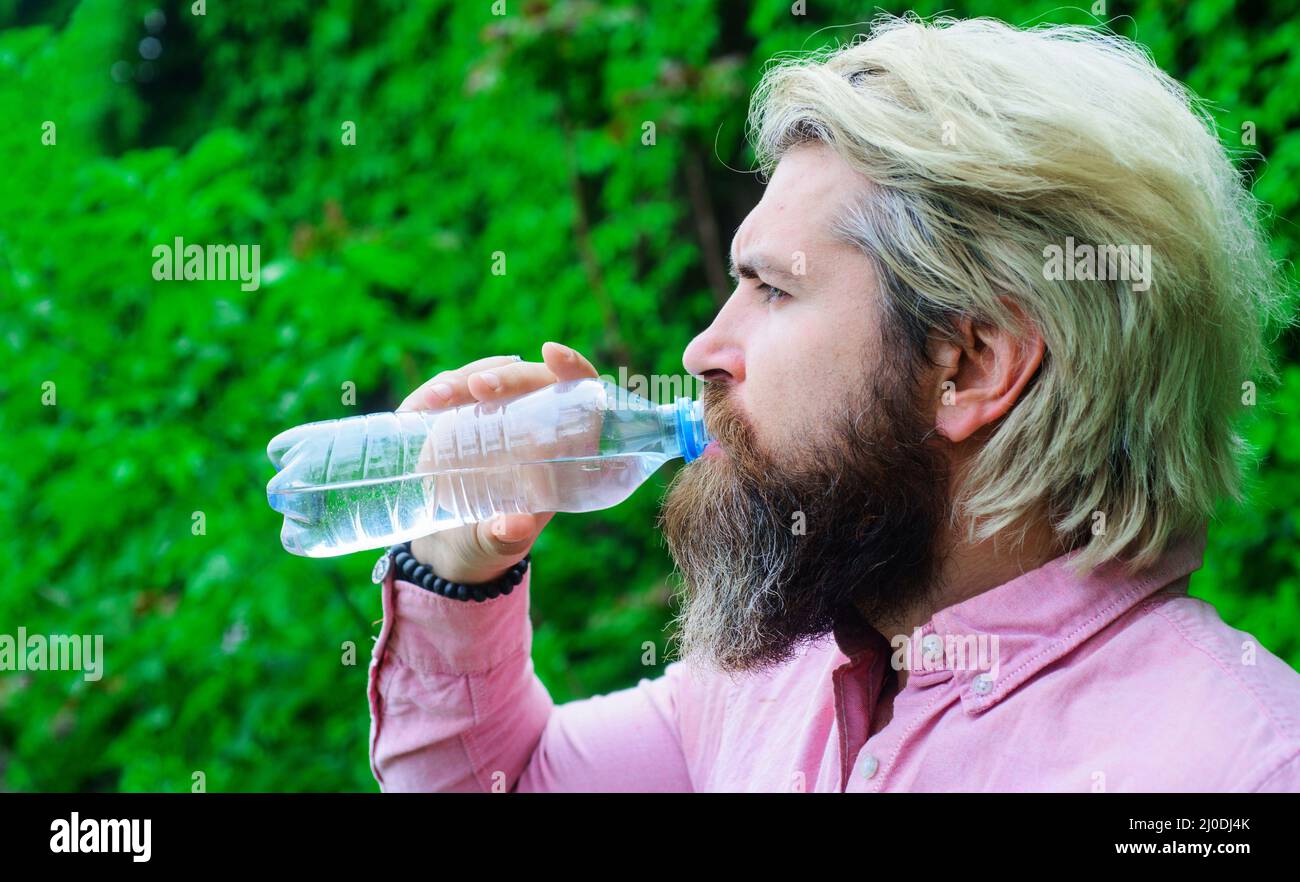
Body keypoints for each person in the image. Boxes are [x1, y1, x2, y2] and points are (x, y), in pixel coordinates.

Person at [367, 16, 1299, 792]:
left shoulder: (1232, 772)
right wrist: (463, 563)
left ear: (971, 365)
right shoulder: (775, 680)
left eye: (771, 289)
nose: (701, 351)